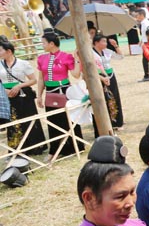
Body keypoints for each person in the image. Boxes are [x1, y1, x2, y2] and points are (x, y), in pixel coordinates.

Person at [36, 32, 84, 160]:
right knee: (53, 121)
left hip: (64, 91)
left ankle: (75, 146)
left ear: (51, 44)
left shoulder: (66, 57)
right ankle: (54, 150)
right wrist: (39, 96)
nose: (42, 45)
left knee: (69, 118)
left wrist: (77, 59)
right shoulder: (41, 58)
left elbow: (75, 75)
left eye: (44, 42)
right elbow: (41, 79)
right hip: (50, 91)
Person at [1, 38, 46, 154]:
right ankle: (16, 148)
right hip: (8, 96)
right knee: (13, 121)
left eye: (1, 50)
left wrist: (19, 86)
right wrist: (4, 90)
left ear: (9, 51)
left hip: (24, 95)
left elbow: (33, 80)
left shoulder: (23, 63)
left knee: (29, 119)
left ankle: (35, 146)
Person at [90, 34, 124, 132]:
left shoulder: (107, 51)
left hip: (111, 75)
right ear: (96, 42)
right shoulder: (92, 53)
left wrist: (116, 46)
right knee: (104, 99)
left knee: (115, 97)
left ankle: (118, 122)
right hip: (100, 77)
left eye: (106, 41)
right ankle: (108, 122)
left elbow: (120, 57)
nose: (105, 43)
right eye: (103, 41)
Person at [135, 9, 149, 82]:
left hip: (148, 44)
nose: (136, 17)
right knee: (147, 60)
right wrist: (141, 40)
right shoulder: (143, 23)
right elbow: (144, 34)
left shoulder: (146, 23)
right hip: (146, 43)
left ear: (141, 15)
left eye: (137, 15)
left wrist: (148, 43)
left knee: (146, 60)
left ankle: (147, 75)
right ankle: (147, 75)